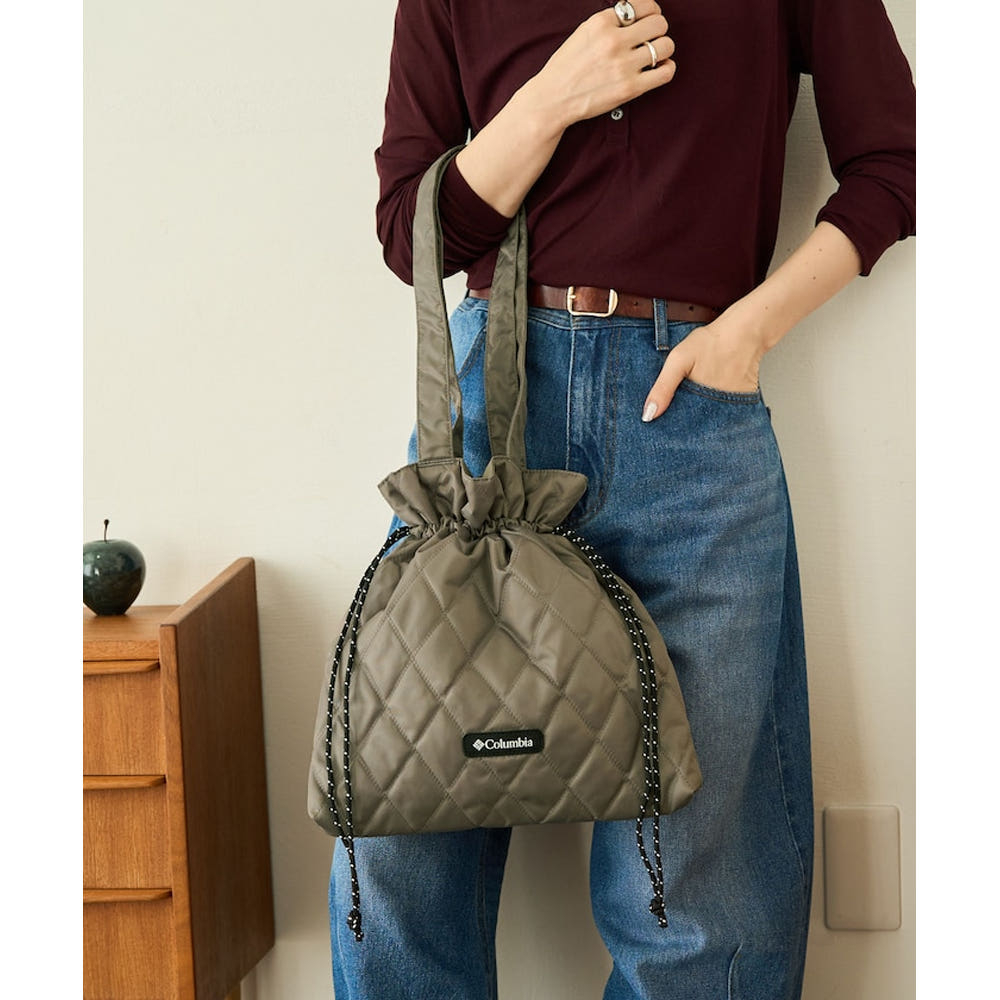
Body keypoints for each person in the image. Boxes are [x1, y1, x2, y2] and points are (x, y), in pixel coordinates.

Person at [328, 1, 915, 997]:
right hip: (491, 416)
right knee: (396, 834)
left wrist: (748, 332)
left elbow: (898, 160)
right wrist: (553, 98)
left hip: (691, 405)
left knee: (698, 885)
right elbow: (410, 233)